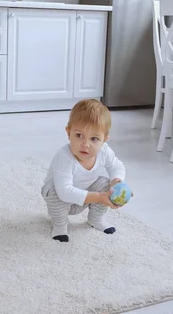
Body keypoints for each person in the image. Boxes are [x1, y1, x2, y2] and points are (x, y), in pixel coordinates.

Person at [41, 99, 130, 242]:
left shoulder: (104, 151)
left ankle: (96, 219)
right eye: (79, 135)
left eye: (94, 139)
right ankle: (60, 225)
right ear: (68, 132)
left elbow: (117, 166)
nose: (85, 144)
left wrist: (116, 181)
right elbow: (65, 192)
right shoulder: (64, 157)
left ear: (104, 140)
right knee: (53, 190)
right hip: (61, 198)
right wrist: (100, 197)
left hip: (87, 194)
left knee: (105, 183)